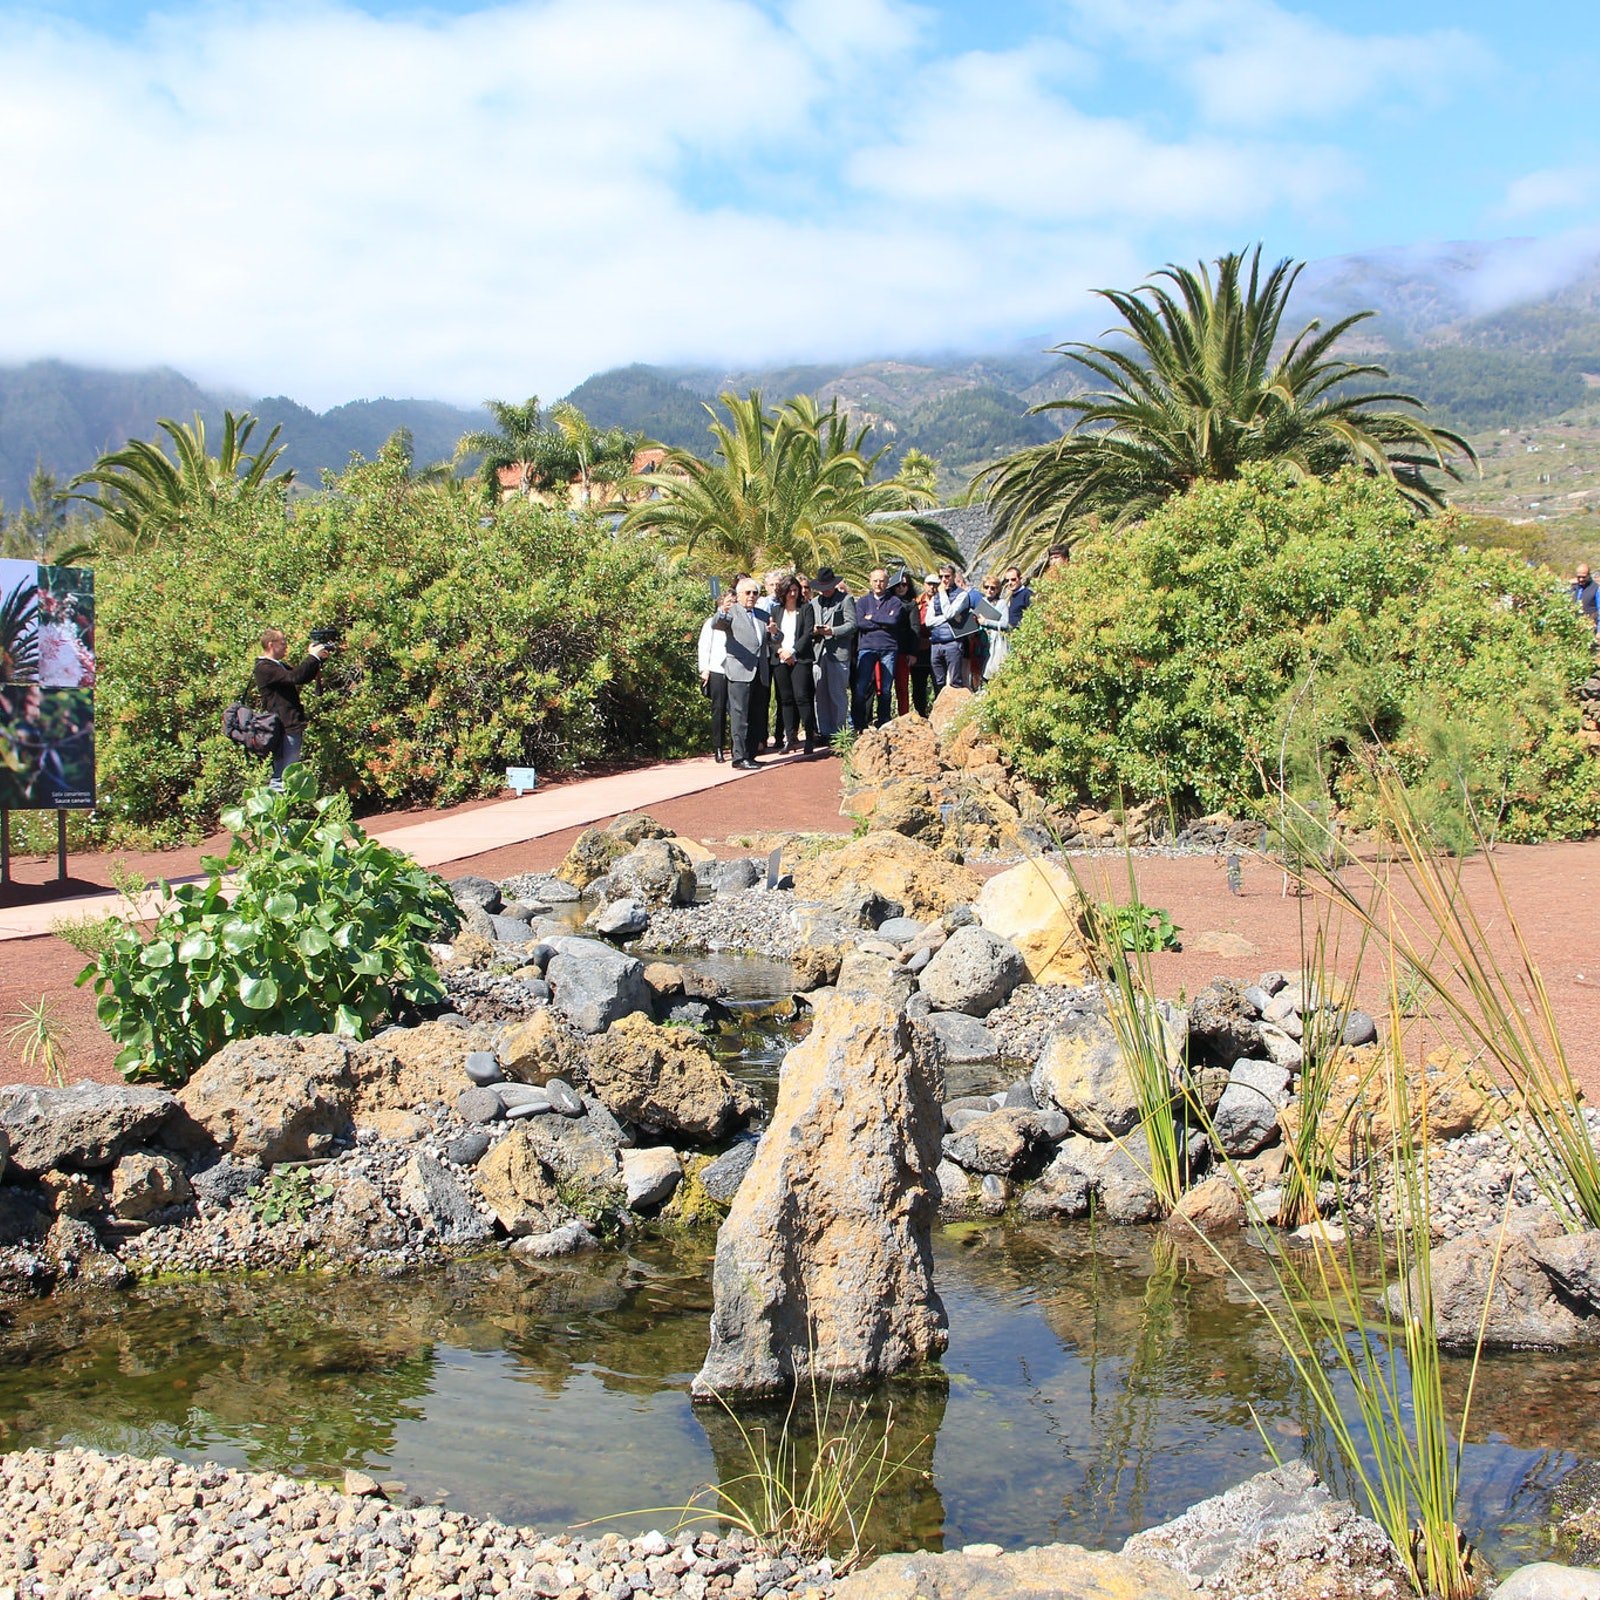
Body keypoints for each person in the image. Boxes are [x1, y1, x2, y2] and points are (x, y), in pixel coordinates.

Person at [253, 627, 332, 788]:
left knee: (286, 773)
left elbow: (302, 675)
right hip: (284, 726)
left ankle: (280, 810)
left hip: (289, 724)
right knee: (282, 776)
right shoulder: (265, 668)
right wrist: (312, 657)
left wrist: (318, 660)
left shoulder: (277, 665)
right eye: (283, 643)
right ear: (271, 644)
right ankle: (275, 812)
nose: (286, 646)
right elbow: (295, 677)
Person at [711, 577, 770, 770]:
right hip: (739, 671)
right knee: (740, 716)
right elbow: (717, 623)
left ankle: (751, 755)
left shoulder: (762, 614)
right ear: (739, 595)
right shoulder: (731, 613)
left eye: (755, 593)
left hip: (760, 672)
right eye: (748, 593)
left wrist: (776, 633)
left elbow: (774, 638)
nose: (752, 596)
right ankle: (739, 757)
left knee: (756, 715)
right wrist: (722, 611)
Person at [768, 574, 819, 755]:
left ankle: (810, 737)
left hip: (800, 658)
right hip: (781, 658)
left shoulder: (806, 608)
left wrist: (793, 652)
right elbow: (771, 636)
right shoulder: (776, 610)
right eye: (789, 591)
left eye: (795, 590)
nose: (792, 594)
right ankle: (790, 739)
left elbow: (807, 634)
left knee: (802, 697)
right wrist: (781, 650)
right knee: (785, 699)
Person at [851, 567, 903, 732]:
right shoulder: (863, 602)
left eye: (882, 580)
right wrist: (883, 621)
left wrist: (872, 618)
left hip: (888, 648)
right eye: (875, 580)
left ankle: (883, 721)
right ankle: (859, 723)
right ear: (870, 581)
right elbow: (860, 623)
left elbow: (894, 621)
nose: (878, 584)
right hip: (867, 648)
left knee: (886, 689)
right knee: (861, 687)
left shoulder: (895, 602)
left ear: (887, 582)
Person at [808, 566, 857, 740]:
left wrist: (833, 631)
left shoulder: (846, 600)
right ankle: (825, 731)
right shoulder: (813, 603)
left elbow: (852, 625)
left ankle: (840, 731)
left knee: (838, 693)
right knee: (820, 694)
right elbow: (807, 626)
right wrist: (814, 630)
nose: (825, 591)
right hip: (818, 653)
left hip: (838, 653)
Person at [926, 563, 973, 691]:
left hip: (953, 642)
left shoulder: (961, 595)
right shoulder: (935, 598)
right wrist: (945, 619)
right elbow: (928, 621)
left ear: (953, 577)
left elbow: (949, 613)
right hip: (936, 643)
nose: (944, 580)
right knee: (938, 682)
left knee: (954, 682)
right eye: (941, 577)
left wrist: (942, 594)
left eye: (947, 576)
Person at [697, 591, 731, 761]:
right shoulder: (711, 623)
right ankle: (718, 747)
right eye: (727, 602)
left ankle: (736, 746)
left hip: (735, 670)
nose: (730, 605)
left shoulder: (737, 621)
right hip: (717, 669)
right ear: (720, 604)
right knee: (718, 709)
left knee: (736, 710)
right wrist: (705, 669)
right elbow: (704, 646)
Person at [890, 571, 924, 716]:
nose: (901, 588)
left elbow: (915, 629)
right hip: (885, 649)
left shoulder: (911, 605)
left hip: (903, 651)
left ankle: (903, 716)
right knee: (881, 688)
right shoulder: (886, 603)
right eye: (898, 585)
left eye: (904, 584)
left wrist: (913, 652)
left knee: (902, 687)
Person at [910, 573, 938, 715]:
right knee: (918, 685)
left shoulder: (942, 602)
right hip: (919, 650)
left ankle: (938, 714)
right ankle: (920, 713)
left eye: (935, 584)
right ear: (924, 585)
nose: (932, 587)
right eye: (929, 584)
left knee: (938, 683)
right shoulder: (917, 602)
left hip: (936, 647)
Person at [1574, 563, 1599, 637]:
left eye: (1583, 577)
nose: (1581, 579)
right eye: (1579, 577)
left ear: (1588, 575)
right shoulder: (1574, 588)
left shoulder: (1596, 589)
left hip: (1590, 628)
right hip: (1575, 628)